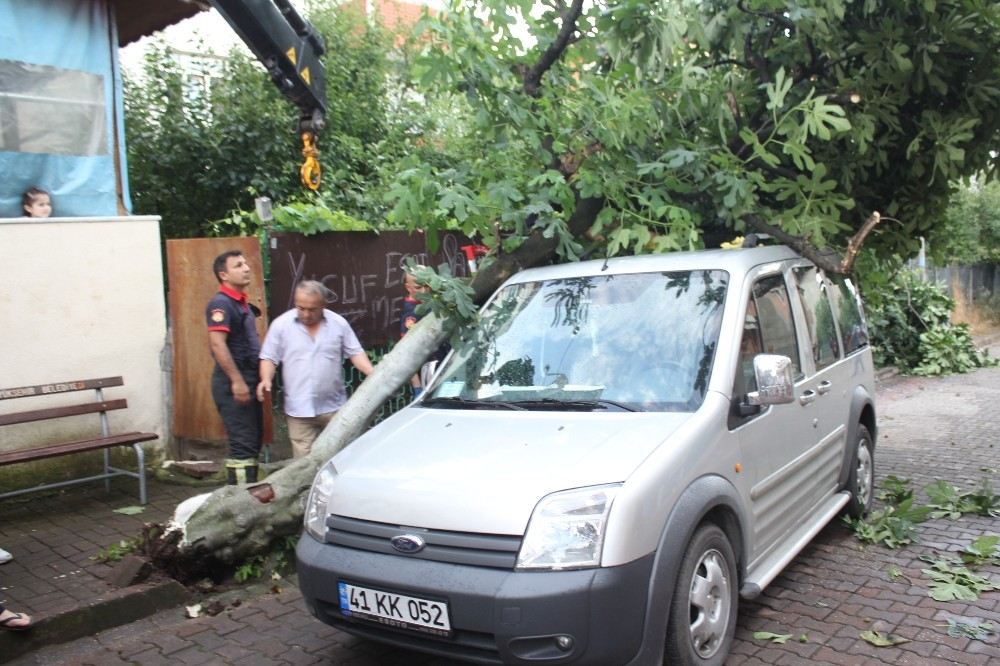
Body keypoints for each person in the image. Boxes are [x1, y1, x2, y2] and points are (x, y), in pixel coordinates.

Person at [257, 280, 374, 458]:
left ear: (323, 306)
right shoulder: (281, 325)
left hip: (333, 407)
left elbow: (355, 353)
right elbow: (269, 357)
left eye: (312, 309)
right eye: (301, 308)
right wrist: (266, 379)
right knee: (303, 462)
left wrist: (372, 374)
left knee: (340, 456)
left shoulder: (338, 324)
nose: (306, 314)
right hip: (298, 408)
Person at [206, 250, 264, 484]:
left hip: (249, 377)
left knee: (252, 441)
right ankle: (239, 503)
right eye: (238, 265)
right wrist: (237, 381)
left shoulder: (242, 304)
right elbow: (218, 345)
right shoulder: (221, 304)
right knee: (242, 445)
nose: (246, 268)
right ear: (224, 275)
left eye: (246, 263)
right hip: (234, 381)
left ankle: (250, 497)